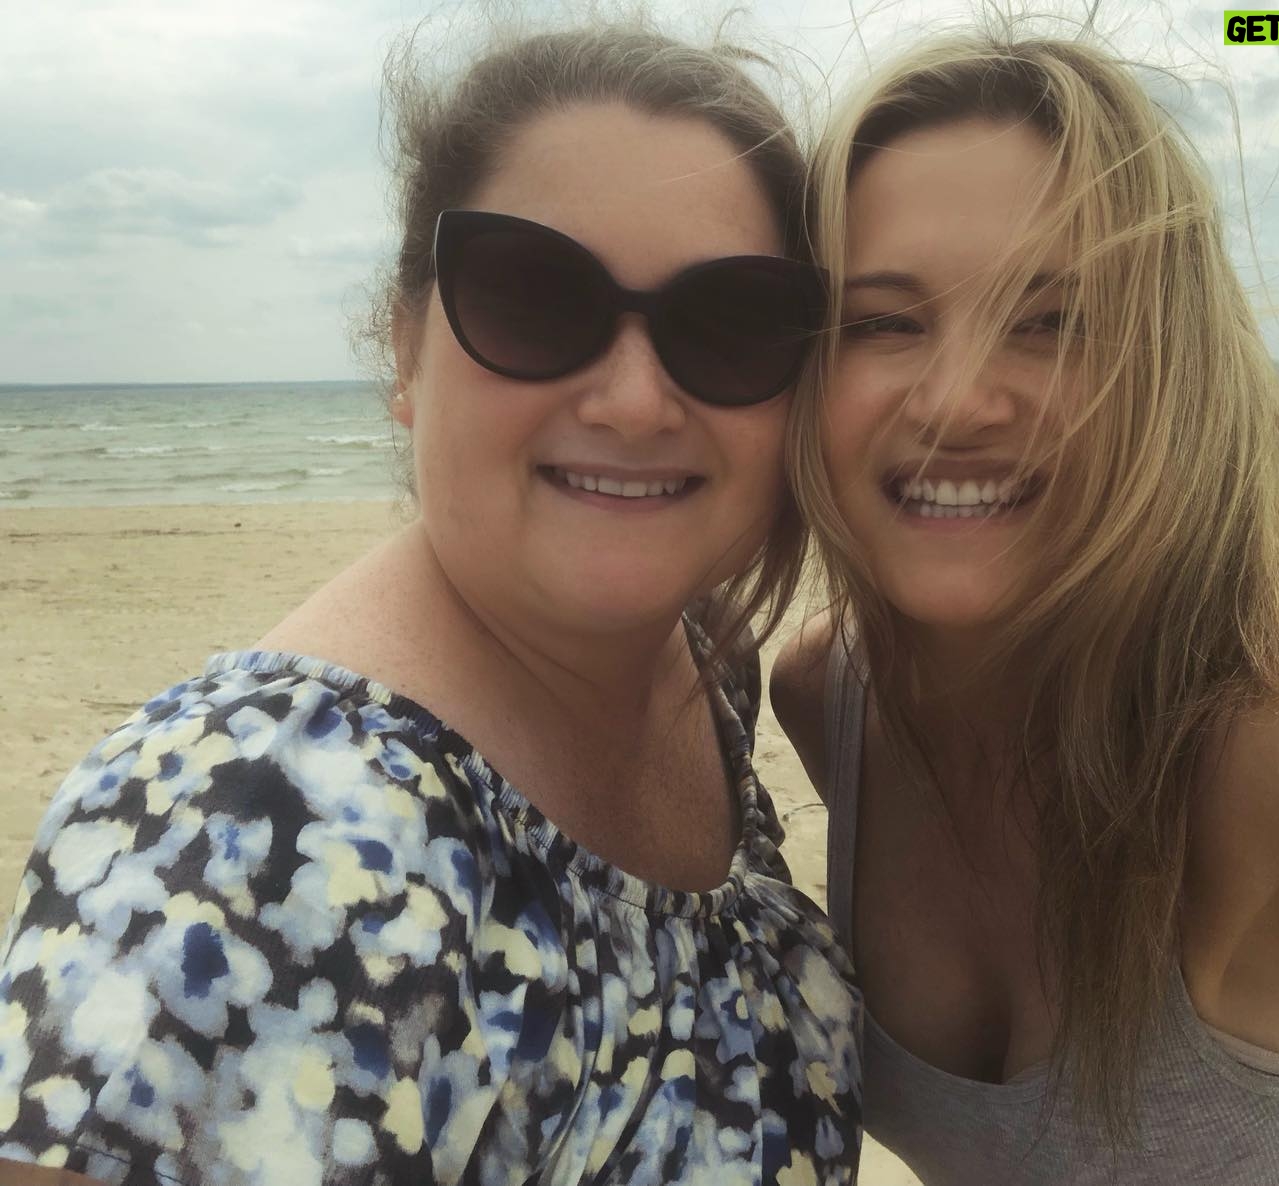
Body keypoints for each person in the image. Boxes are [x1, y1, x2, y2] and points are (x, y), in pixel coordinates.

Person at [0, 20, 861, 1186]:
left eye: (732, 322)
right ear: (405, 349)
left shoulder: (700, 660)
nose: (635, 399)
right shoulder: (242, 842)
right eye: (534, 298)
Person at [773, 28, 1279, 1184]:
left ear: (1174, 372)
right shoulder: (829, 696)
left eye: (1051, 320)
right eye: (884, 321)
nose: (956, 402)